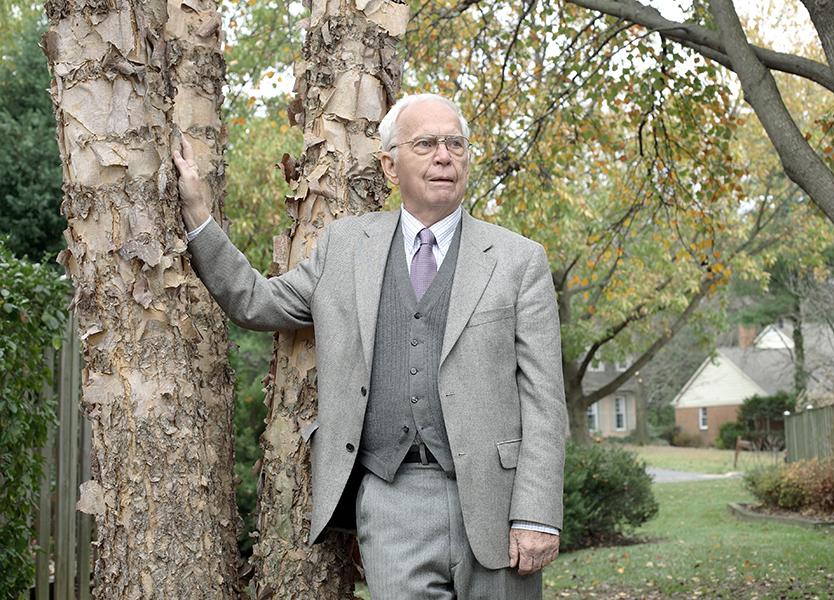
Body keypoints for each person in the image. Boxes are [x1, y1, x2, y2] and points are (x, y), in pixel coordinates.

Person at [173, 93, 567, 599]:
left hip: (497, 500)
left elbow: (544, 401)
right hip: (391, 495)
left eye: (455, 144)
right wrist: (200, 217)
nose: (444, 156)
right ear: (389, 165)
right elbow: (256, 302)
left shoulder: (519, 260)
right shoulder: (344, 247)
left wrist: (537, 514)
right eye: (425, 144)